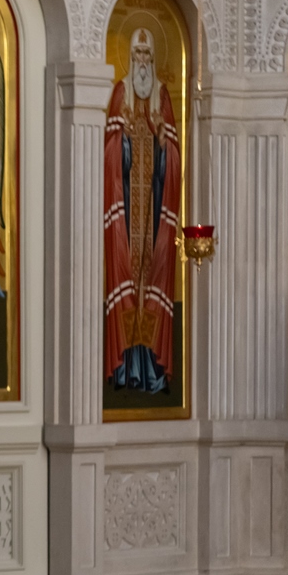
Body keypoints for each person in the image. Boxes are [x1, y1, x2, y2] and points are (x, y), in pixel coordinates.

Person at [103, 28, 182, 395]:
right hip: (126, 212)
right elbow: (109, 152)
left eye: (147, 55)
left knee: (152, 282)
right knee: (125, 279)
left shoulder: (161, 96)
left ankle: (150, 369)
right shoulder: (120, 93)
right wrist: (123, 144)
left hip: (153, 208)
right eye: (137, 54)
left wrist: (165, 147)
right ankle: (124, 369)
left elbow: (174, 157)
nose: (143, 61)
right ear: (130, 58)